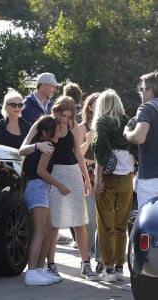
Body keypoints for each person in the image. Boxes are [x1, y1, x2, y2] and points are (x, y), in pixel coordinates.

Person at [20, 96, 97, 281]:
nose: (64, 120)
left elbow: (78, 152)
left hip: (72, 173)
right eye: (63, 115)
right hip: (52, 174)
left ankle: (86, 264)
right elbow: (22, 148)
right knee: (52, 224)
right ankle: (51, 265)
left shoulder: (73, 127)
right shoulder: (45, 124)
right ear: (56, 111)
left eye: (69, 117)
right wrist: (38, 145)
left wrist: (86, 179)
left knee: (79, 221)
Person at [91, 89, 137, 282]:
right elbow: (135, 153)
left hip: (108, 179)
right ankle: (119, 267)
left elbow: (101, 153)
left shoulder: (102, 123)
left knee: (105, 225)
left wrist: (98, 180)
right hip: (127, 178)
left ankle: (108, 267)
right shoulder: (129, 121)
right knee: (121, 225)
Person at [22, 115, 67, 286]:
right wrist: (60, 185)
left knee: (48, 231)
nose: (59, 131)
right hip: (38, 189)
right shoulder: (47, 146)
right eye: (56, 129)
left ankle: (39, 269)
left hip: (40, 189)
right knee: (40, 233)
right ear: (46, 132)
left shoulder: (43, 145)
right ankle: (32, 271)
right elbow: (41, 171)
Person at [124, 71, 158, 209]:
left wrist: (126, 133)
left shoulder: (147, 108)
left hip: (151, 180)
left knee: (148, 227)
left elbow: (139, 137)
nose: (141, 93)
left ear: (150, 90)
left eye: (142, 89)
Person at [78, 92, 103, 271]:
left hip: (104, 173)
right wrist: (88, 140)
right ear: (90, 107)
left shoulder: (107, 126)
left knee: (103, 218)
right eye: (97, 103)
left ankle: (101, 259)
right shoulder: (82, 127)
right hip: (86, 172)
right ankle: (87, 256)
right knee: (90, 220)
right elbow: (77, 152)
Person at [63, 81, 84, 247]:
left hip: (67, 161)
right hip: (80, 162)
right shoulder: (84, 113)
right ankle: (81, 237)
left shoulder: (67, 116)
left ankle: (77, 239)